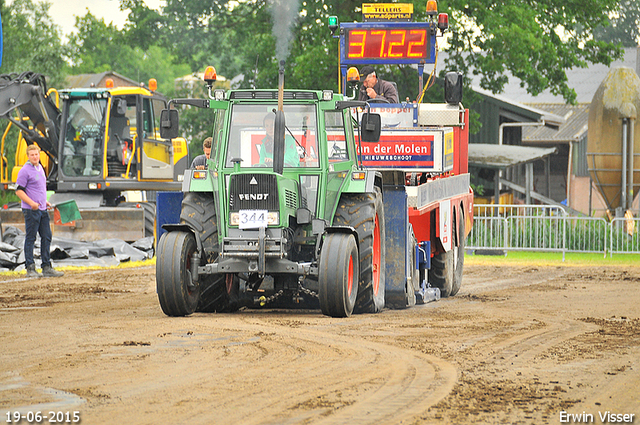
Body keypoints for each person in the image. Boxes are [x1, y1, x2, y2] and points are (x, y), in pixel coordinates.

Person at [15, 144, 64, 278]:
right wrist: (31, 203)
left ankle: (46, 266)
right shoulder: (25, 171)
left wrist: (44, 201)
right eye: (32, 155)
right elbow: (19, 190)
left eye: (36, 154)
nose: (35, 157)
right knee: (31, 238)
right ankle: (30, 268)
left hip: (42, 209)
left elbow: (39, 189)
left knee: (46, 236)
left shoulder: (40, 168)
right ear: (28, 156)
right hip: (31, 210)